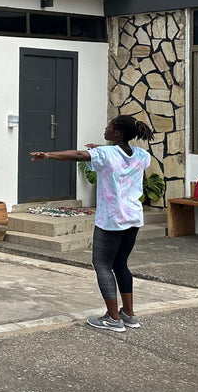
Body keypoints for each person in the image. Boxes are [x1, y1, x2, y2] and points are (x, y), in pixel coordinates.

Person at [30, 114, 154, 332]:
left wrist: (49, 154)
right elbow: (121, 155)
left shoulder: (105, 153)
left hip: (111, 219)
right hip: (133, 217)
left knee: (103, 265)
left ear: (117, 133)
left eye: (109, 127)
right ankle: (129, 315)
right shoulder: (142, 155)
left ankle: (113, 319)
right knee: (121, 264)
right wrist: (102, 149)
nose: (105, 129)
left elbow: (79, 155)